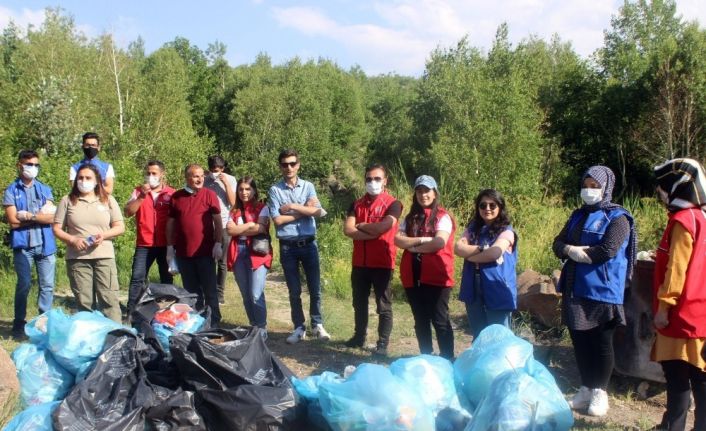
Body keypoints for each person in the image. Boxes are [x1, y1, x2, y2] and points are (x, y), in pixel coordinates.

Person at [552, 165, 636, 417]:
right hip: (575, 288)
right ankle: (586, 388)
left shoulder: (618, 218)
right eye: (586, 186)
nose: (589, 191)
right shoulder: (577, 215)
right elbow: (557, 242)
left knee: (601, 342)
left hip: (602, 289)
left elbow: (607, 250)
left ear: (606, 187)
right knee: (580, 340)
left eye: (595, 186)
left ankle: (600, 392)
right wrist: (569, 250)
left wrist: (576, 252)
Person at [652, 158, 706, 431]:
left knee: (677, 376)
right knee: (700, 375)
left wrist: (664, 308)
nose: (661, 192)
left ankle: (673, 427)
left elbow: (677, 269)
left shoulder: (683, 221)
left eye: (663, 187)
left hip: (681, 313)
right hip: (701, 313)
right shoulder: (702, 217)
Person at [268, 149, 330, 344]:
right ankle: (299, 327)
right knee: (294, 290)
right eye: (285, 164)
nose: (289, 167)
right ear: (280, 166)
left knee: (315, 287)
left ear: (298, 165)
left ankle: (317, 324)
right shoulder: (275, 190)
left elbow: (319, 212)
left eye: (292, 163)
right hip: (288, 247)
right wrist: (305, 209)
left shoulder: (308, 186)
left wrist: (293, 207)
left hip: (309, 244)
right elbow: (278, 220)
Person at [53, 164, 125, 322]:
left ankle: (115, 337)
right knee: (84, 302)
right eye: (80, 178)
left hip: (104, 257)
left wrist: (103, 235)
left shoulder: (107, 199)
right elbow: (57, 228)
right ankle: (88, 338)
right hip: (77, 259)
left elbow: (120, 227)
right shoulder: (67, 200)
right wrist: (72, 239)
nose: (83, 181)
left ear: (97, 180)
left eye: (88, 178)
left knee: (109, 299)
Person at [394, 175, 456, 360]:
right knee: (420, 320)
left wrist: (411, 247)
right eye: (419, 191)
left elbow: (439, 242)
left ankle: (447, 358)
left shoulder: (443, 217)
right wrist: (421, 241)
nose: (423, 195)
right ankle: (426, 357)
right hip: (413, 275)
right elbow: (398, 239)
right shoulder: (410, 217)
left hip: (437, 276)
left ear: (435, 192)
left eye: (427, 191)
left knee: (440, 320)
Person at [343, 164, 402, 356]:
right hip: (359, 262)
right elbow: (348, 230)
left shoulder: (393, 204)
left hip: (382, 262)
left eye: (377, 179)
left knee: (383, 305)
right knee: (358, 302)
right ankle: (359, 337)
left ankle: (382, 344)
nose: (372, 182)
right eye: (369, 179)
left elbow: (383, 228)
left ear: (385, 181)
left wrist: (362, 226)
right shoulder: (356, 204)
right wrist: (372, 231)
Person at [3, 150, 57, 339]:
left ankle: (44, 324)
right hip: (23, 246)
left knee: (47, 286)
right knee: (24, 285)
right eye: (29, 164)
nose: (32, 168)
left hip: (45, 244)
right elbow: (13, 221)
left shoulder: (45, 189)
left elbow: (53, 217)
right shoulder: (11, 191)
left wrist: (29, 215)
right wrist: (40, 217)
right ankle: (19, 323)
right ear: (20, 165)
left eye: (36, 165)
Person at [455, 189, 518, 340]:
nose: (487, 209)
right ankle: (481, 363)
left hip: (497, 286)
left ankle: (502, 364)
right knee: (479, 334)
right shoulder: (472, 229)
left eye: (492, 205)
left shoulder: (507, 231)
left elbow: (494, 253)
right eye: (483, 205)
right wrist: (482, 248)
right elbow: (458, 248)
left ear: (500, 207)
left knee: (499, 335)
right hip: (473, 283)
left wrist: (470, 255)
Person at [166, 164, 223, 325]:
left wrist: (218, 243)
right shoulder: (176, 197)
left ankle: (214, 321)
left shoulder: (209, 195)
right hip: (184, 253)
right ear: (187, 178)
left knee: (210, 290)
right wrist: (170, 250)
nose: (200, 179)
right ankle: (196, 322)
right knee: (191, 292)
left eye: (201, 176)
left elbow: (217, 221)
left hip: (205, 252)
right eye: (195, 176)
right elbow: (170, 224)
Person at [124, 160, 175, 314]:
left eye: (154, 173)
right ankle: (132, 312)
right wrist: (141, 196)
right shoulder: (138, 191)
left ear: (162, 175)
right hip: (144, 243)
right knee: (137, 278)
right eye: (148, 173)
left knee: (166, 278)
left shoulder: (171, 193)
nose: (150, 176)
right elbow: (128, 212)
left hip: (165, 244)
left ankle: (167, 311)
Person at [226, 176, 272, 335]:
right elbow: (230, 231)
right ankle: (253, 325)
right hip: (238, 252)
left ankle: (261, 327)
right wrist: (250, 225)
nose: (244, 192)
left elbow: (260, 228)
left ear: (254, 190)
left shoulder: (262, 208)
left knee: (255, 293)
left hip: (256, 252)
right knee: (246, 294)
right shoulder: (234, 211)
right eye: (240, 189)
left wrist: (245, 228)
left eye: (247, 189)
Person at [204, 155, 237, 304]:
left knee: (222, 262)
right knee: (207, 260)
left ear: (222, 169)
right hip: (206, 226)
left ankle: (220, 294)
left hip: (223, 225)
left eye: (216, 170)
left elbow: (233, 203)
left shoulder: (230, 179)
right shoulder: (204, 180)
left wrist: (225, 183)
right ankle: (208, 291)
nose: (214, 173)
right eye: (211, 170)